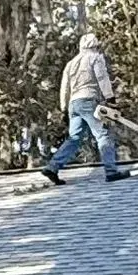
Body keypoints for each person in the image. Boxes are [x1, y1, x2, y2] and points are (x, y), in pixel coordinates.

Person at [40, 31, 130, 184]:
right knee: (103, 135)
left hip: (73, 104)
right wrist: (110, 98)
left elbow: (65, 87)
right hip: (89, 101)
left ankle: (53, 167)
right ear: (95, 46)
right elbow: (102, 78)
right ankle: (111, 171)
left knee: (74, 138)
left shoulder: (71, 63)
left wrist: (64, 107)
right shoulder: (95, 58)